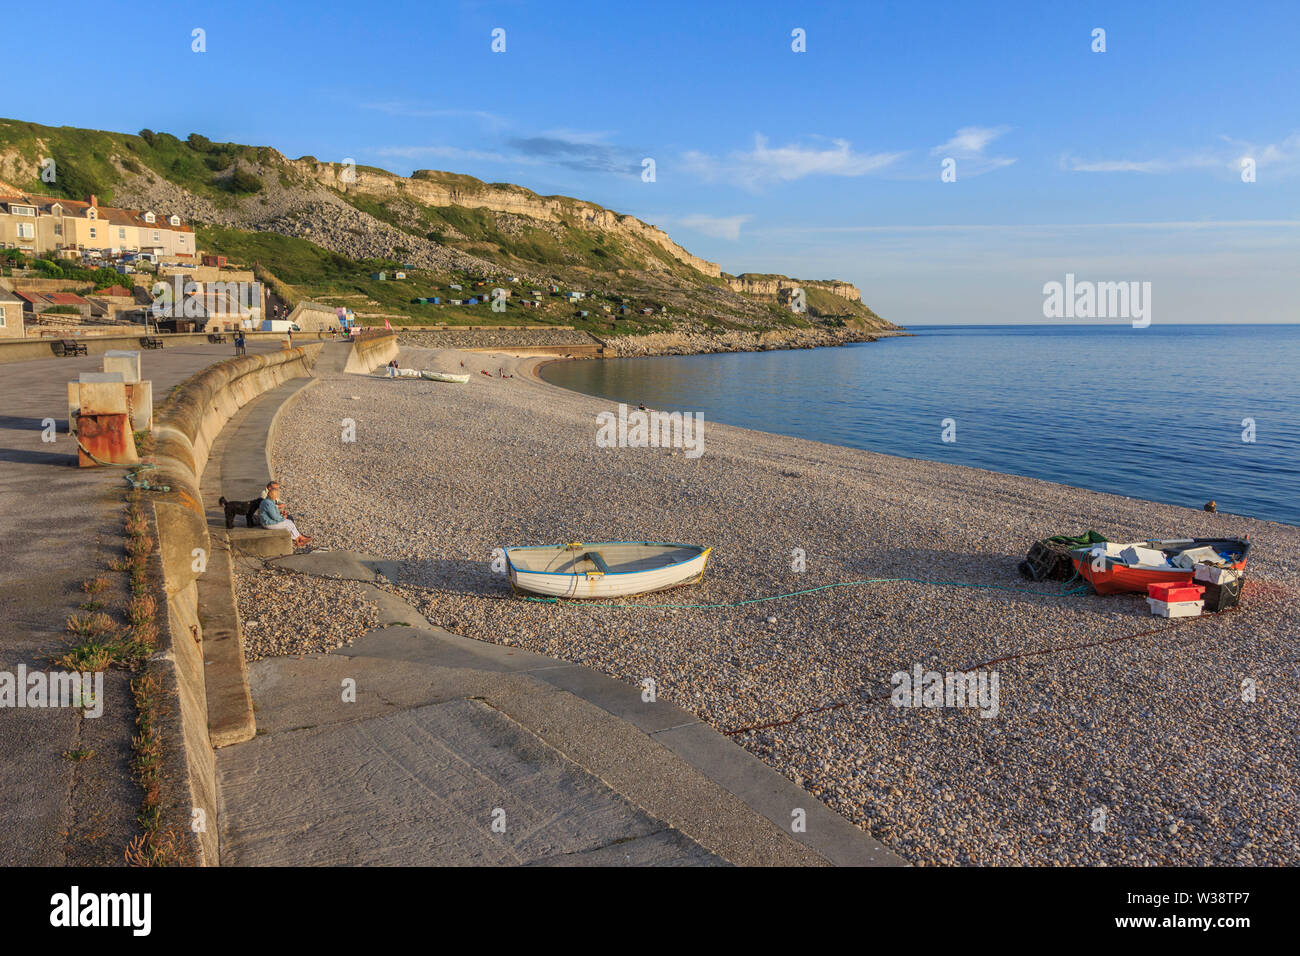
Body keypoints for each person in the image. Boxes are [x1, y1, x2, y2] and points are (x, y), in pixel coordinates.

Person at [257, 480, 312, 547]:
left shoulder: (268, 501)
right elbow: (274, 517)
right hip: (268, 523)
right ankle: (299, 539)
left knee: (289, 522)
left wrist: (280, 513)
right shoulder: (269, 503)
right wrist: (283, 517)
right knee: (289, 524)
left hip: (267, 521)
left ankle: (299, 539)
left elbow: (272, 512)